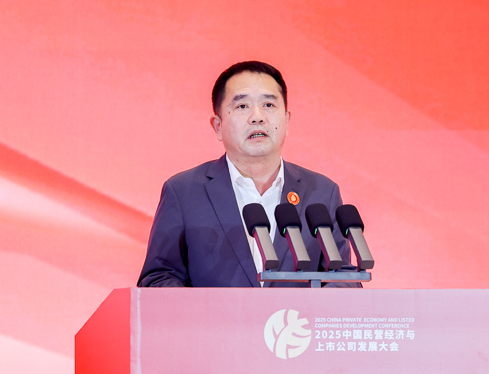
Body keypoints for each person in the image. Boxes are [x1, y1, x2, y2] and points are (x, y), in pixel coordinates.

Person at [137, 61, 356, 287]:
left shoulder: (322, 192)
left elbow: (344, 277)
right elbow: (158, 278)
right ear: (218, 126)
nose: (257, 117)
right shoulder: (183, 192)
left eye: (269, 104)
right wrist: (205, 307)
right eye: (242, 106)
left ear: (287, 120)